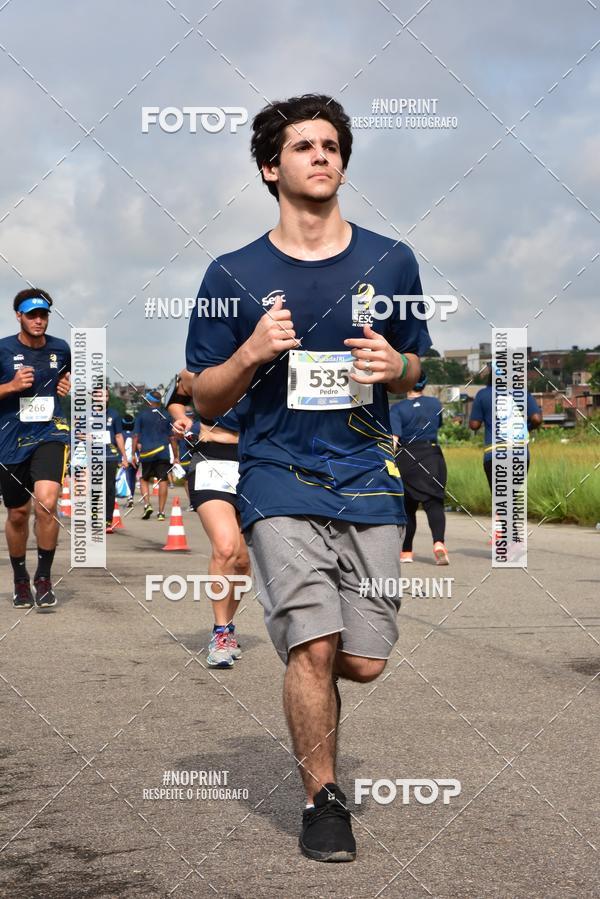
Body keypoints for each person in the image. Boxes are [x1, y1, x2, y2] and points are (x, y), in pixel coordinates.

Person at [186, 94, 431, 862]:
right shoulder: (233, 272)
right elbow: (203, 394)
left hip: (367, 476)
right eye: (303, 146)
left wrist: (400, 367)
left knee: (361, 659)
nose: (321, 155)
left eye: (331, 145)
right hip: (275, 474)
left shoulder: (392, 260)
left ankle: (315, 635)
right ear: (270, 167)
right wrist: (253, 350)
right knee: (315, 647)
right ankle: (322, 801)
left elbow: (421, 362)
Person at [167, 370, 250, 668]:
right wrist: (181, 417)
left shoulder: (271, 365)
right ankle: (219, 633)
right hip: (211, 459)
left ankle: (229, 626)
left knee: (241, 560)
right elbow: (175, 399)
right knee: (225, 547)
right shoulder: (201, 371)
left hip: (256, 461)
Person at [0, 288, 71, 608]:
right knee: (17, 514)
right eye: (32, 315)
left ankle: (43, 577)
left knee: (46, 503)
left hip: (49, 433)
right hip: (10, 438)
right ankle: (20, 580)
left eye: (43, 314)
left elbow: (66, 378)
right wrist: (11, 387)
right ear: (19, 316)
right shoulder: (2, 350)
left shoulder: (60, 348)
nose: (39, 320)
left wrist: (66, 385)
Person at [390, 374, 449, 565]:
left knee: (408, 507)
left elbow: (394, 440)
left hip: (407, 457)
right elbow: (438, 425)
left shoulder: (397, 408)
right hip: (432, 455)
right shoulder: (435, 404)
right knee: (434, 502)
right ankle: (439, 543)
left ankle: (406, 551)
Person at [469, 368, 543, 491]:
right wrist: (526, 428)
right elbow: (536, 419)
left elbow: (474, 425)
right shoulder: (523, 393)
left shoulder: (483, 394)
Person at [131, 391, 175, 521]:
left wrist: (133, 453)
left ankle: (147, 504)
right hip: (163, 452)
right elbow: (172, 437)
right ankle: (161, 512)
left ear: (149, 401)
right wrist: (176, 455)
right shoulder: (166, 415)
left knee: (144, 479)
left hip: (147, 452)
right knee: (163, 480)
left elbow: (135, 436)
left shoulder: (141, 415)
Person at [96, 388, 128, 533]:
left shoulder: (114, 414)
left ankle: (107, 520)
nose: (105, 398)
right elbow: (79, 434)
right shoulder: (86, 414)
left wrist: (124, 456)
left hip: (110, 456)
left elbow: (119, 436)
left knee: (109, 488)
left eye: (107, 396)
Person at [120, 413, 138, 507]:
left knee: (126, 477)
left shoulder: (120, 435)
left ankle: (129, 496)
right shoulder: (135, 434)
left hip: (124, 459)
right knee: (132, 478)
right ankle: (131, 496)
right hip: (135, 459)